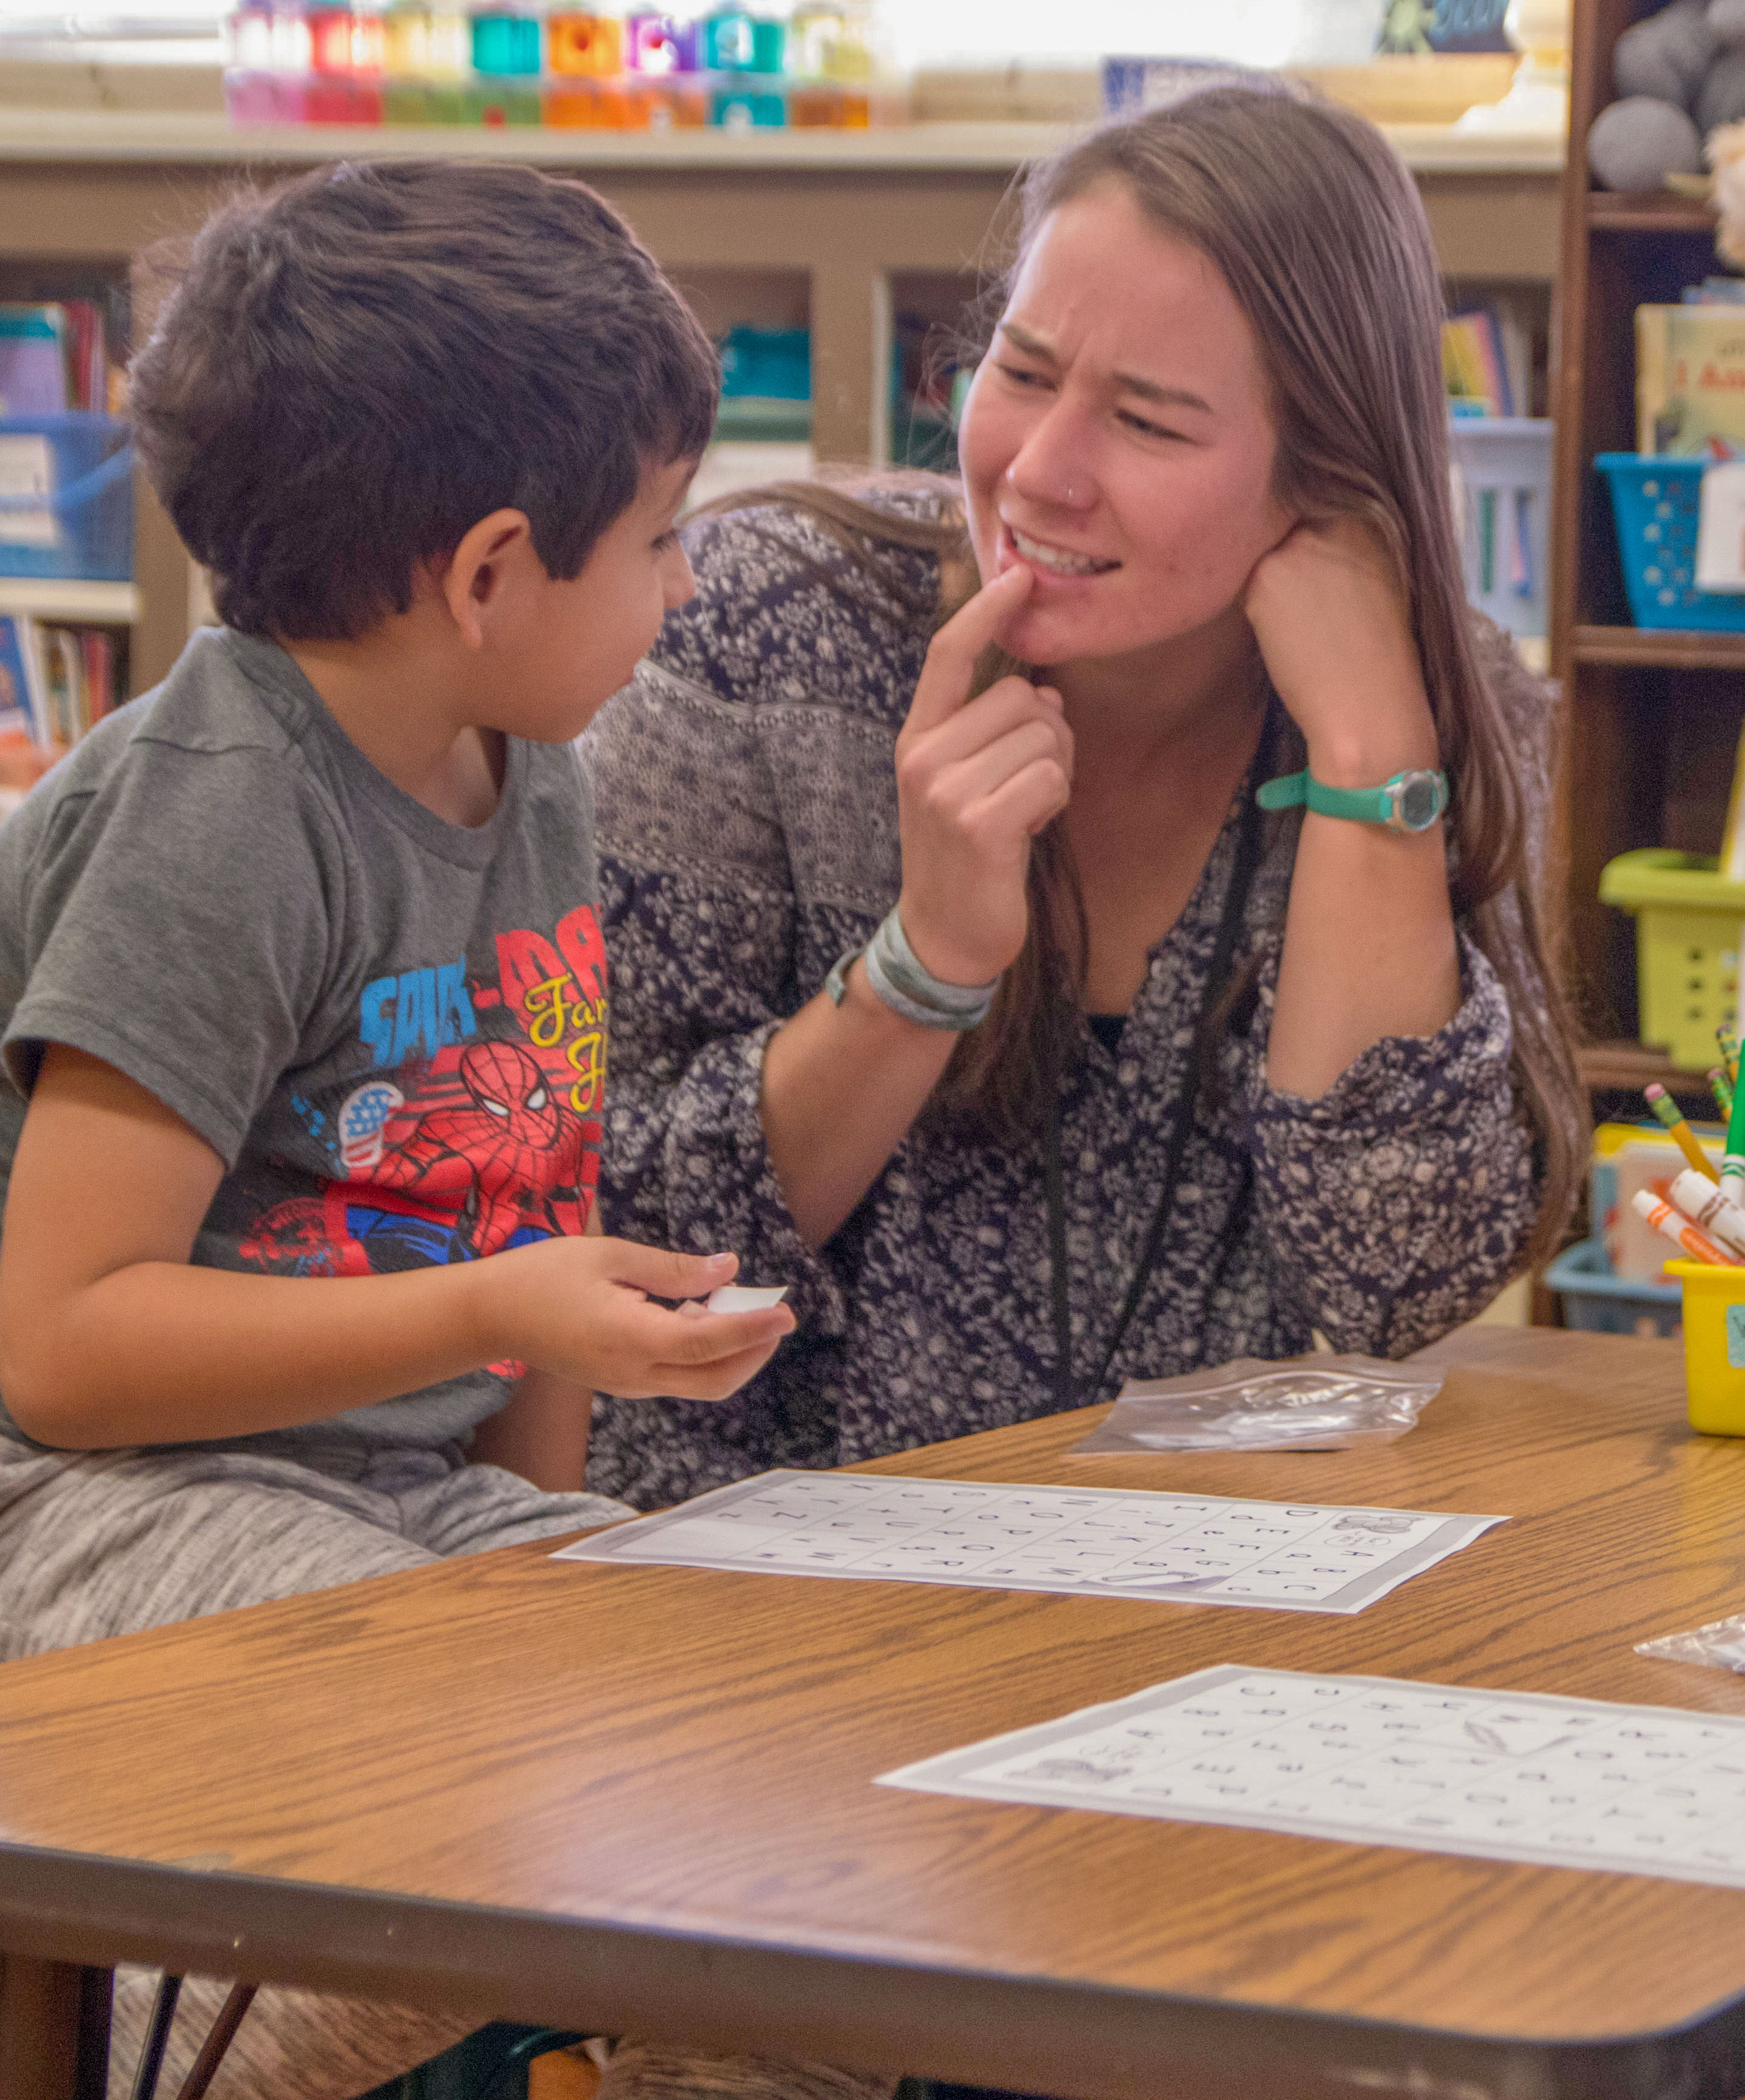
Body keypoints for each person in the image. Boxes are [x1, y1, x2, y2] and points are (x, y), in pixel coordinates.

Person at [0, 161, 816, 2100]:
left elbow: (519, 1210)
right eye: (667, 538)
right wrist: (502, 1308)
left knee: (756, 1730)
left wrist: (554, 1445)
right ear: (493, 571)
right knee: (506, 1766)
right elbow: (69, 1346)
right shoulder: (224, 813)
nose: (686, 589)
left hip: (350, 1503)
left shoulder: (539, 786)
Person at [579, 83, 1581, 1508]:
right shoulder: (757, 634)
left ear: (1330, 478)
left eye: (1152, 426)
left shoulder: (1424, 709)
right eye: (1026, 372)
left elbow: (1396, 1287)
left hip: (1213, 1577)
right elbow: (623, 1240)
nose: (1041, 474)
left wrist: (1365, 764)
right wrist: (925, 965)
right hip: (752, 1572)